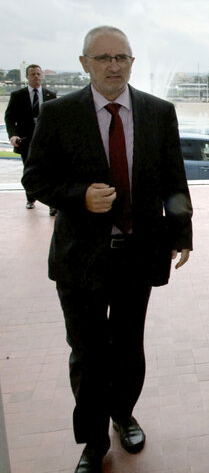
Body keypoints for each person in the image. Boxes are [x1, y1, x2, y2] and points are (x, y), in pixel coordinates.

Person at [21, 26, 193, 473]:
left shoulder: (159, 111)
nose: (114, 65)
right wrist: (79, 196)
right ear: (85, 64)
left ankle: (123, 414)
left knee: (129, 346)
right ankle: (93, 439)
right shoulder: (60, 115)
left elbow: (175, 178)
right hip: (80, 258)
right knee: (87, 350)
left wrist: (182, 233)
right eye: (103, 58)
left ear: (132, 62)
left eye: (122, 57)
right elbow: (35, 179)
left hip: (138, 254)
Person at [4, 64, 57, 213]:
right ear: (27, 76)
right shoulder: (17, 96)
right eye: (33, 74)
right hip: (25, 140)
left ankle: (52, 203)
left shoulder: (50, 95)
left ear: (42, 76)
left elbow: (56, 119)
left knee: (50, 171)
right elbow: (9, 118)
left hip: (46, 141)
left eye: (38, 74)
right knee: (29, 171)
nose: (36, 77)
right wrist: (13, 135)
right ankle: (30, 199)